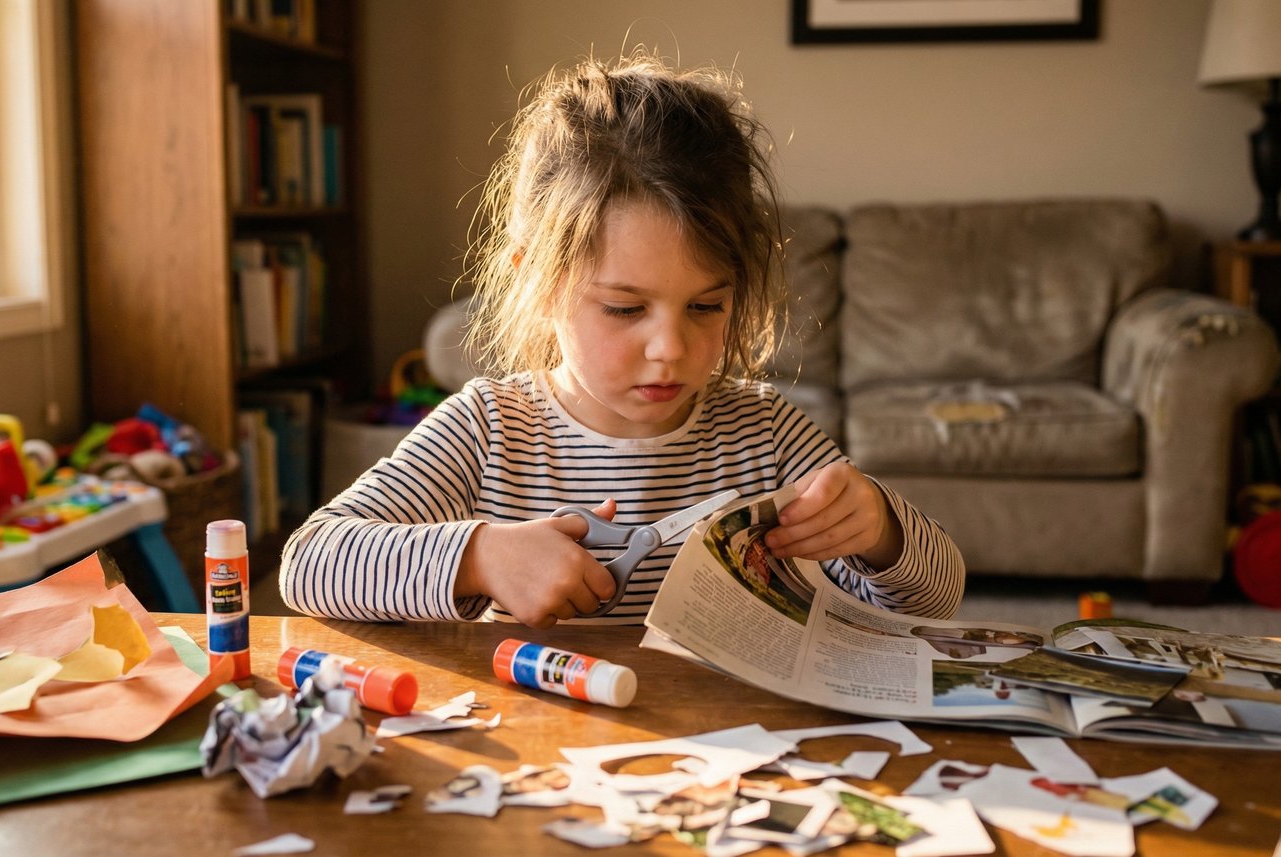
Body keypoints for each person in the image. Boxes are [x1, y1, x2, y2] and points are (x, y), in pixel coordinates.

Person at [280, 52, 965, 628]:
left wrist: (880, 530)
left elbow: (938, 603)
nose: (670, 347)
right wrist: (479, 556)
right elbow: (310, 563)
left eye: (706, 304)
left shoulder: (769, 436)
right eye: (624, 308)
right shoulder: (488, 429)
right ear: (541, 282)